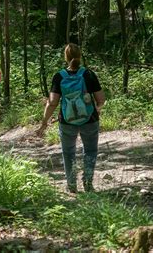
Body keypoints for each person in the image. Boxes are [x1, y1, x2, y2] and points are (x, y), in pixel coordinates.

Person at [36, 43, 105, 193]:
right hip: (90, 119)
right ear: (80, 56)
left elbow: (52, 102)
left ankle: (72, 185)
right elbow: (101, 99)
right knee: (91, 151)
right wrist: (96, 110)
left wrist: (44, 123)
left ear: (65, 57)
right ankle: (87, 183)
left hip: (67, 121)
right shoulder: (89, 74)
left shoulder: (59, 76)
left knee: (68, 152)